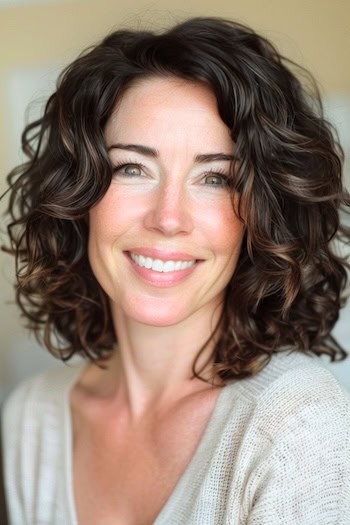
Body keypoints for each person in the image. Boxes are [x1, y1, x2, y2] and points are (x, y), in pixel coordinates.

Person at [1, 16, 350, 525]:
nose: (168, 218)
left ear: (262, 216)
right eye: (132, 168)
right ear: (77, 197)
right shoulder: (32, 419)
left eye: (215, 178)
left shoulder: (295, 423)